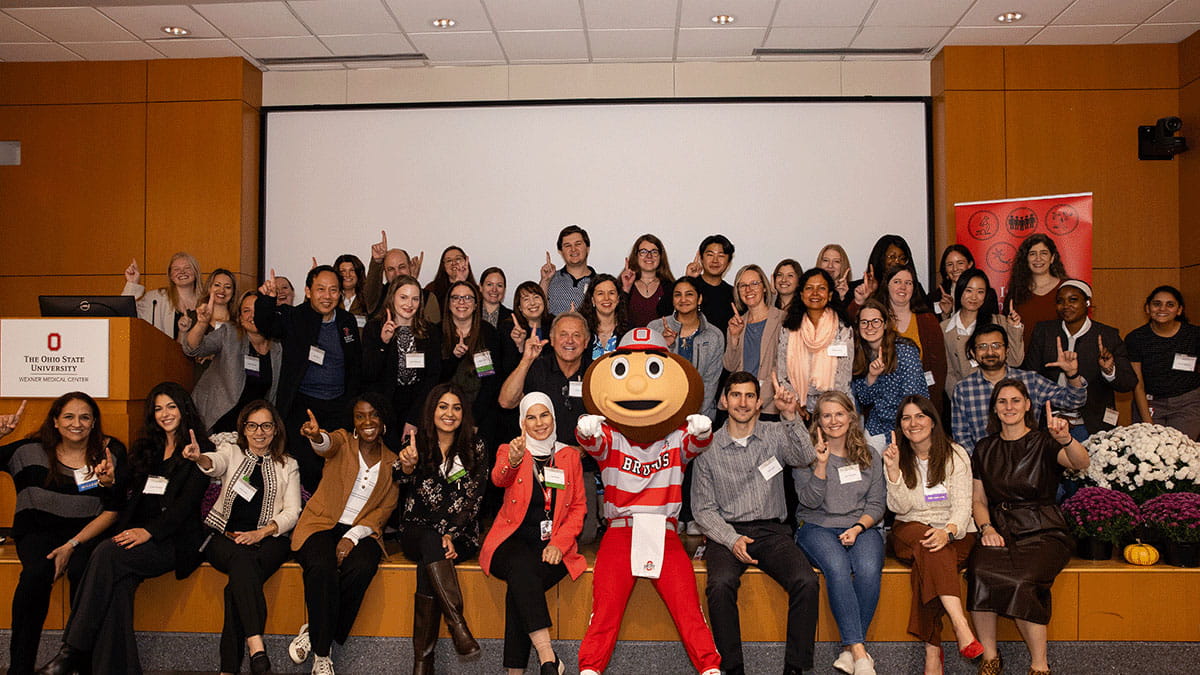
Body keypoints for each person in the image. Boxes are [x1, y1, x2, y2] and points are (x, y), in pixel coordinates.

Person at [574, 328, 721, 675]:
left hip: (663, 531)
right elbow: (592, 441)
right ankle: (589, 668)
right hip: (620, 531)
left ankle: (710, 668)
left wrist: (704, 430)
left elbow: (697, 442)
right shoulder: (612, 438)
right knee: (605, 610)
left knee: (688, 606)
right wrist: (584, 428)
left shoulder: (675, 439)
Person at [38, 382, 210, 675]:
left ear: (184, 409)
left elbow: (184, 508)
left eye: (171, 406)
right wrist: (109, 482)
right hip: (135, 536)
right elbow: (121, 497)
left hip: (172, 541)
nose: (165, 414)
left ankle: (72, 650)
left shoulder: (200, 450)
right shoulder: (147, 447)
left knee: (106, 552)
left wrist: (149, 532)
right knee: (117, 588)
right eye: (158, 408)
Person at [691, 372, 819, 675]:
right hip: (727, 533)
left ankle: (795, 669)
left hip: (772, 531)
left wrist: (790, 416)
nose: (743, 402)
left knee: (807, 582)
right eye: (736, 395)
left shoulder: (775, 433)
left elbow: (806, 456)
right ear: (724, 401)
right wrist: (730, 539)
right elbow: (702, 509)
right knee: (719, 586)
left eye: (750, 395)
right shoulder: (707, 447)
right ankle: (733, 669)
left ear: (759, 402)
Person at [968, 381, 1090, 675]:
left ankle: (1039, 665)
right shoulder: (983, 448)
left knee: (1023, 581)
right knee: (979, 571)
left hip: (1044, 530)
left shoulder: (1045, 441)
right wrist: (986, 528)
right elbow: (978, 499)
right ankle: (990, 657)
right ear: (994, 409)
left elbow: (1081, 463)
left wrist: (1066, 439)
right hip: (999, 530)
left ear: (1027, 405)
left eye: (1015, 400)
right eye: (1002, 401)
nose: (1009, 407)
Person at [0, 395, 122, 675]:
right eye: (68, 416)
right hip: (37, 531)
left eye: (85, 417)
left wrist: (109, 484)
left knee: (85, 573)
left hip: (86, 534)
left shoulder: (109, 454)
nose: (76, 423)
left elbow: (114, 509)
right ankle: (19, 668)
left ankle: (81, 663)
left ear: (94, 423)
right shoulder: (27, 451)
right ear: (55, 421)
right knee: (35, 576)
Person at [184, 400, 301, 675]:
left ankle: (229, 669)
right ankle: (255, 645)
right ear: (243, 429)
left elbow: (293, 511)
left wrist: (261, 532)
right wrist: (200, 458)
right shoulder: (231, 451)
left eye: (266, 426)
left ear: (276, 430)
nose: (259, 432)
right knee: (241, 560)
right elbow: (215, 464)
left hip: (269, 539)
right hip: (224, 537)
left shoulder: (288, 464)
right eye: (252, 426)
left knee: (237, 585)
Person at [287, 394, 399, 675]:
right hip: (322, 523)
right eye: (360, 416)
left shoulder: (393, 462)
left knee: (363, 567)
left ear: (383, 420)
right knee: (321, 567)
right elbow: (326, 444)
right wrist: (316, 436)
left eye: (373, 414)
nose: (367, 421)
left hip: (362, 529)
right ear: (353, 422)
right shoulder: (343, 442)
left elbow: (385, 510)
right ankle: (322, 654)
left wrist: (352, 537)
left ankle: (315, 630)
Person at [480, 393, 586, 675]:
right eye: (531, 417)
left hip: (553, 547)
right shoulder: (511, 449)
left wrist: (559, 544)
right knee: (521, 568)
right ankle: (547, 657)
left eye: (544, 415)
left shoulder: (568, 456)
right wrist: (513, 461)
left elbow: (578, 508)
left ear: (554, 417)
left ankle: (516, 672)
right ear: (522, 422)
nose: (539, 423)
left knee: (520, 584)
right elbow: (498, 478)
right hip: (510, 541)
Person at [884, 396, 981, 675]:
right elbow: (899, 507)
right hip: (910, 527)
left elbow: (963, 507)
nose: (913, 423)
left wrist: (947, 532)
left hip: (955, 532)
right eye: (906, 418)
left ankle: (932, 652)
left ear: (933, 421)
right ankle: (960, 624)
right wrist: (893, 471)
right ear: (900, 425)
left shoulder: (956, 454)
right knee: (929, 545)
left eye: (920, 416)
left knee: (929, 559)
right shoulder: (896, 455)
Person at [395, 384, 488, 673]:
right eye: (443, 407)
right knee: (430, 542)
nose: (450, 413)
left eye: (456, 408)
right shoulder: (416, 442)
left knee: (430, 559)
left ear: (464, 413)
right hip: (417, 531)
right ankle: (457, 625)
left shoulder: (475, 446)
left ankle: (423, 664)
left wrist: (450, 533)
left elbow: (474, 498)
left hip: (460, 535)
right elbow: (398, 478)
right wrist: (407, 466)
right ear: (432, 410)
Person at [793, 391, 884, 675]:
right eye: (826, 415)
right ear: (818, 421)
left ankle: (849, 650)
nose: (833, 421)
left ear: (851, 417)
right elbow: (808, 501)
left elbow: (877, 504)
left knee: (869, 568)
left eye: (839, 414)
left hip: (861, 526)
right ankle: (859, 651)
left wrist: (858, 528)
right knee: (837, 566)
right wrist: (821, 465)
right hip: (816, 526)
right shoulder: (806, 455)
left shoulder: (869, 455)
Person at [255, 265, 363, 492]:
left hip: (338, 406)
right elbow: (266, 326)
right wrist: (266, 300)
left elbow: (355, 365)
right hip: (302, 405)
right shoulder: (294, 317)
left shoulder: (347, 321)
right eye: (320, 289)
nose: (327, 296)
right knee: (305, 467)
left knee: (336, 467)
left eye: (333, 290)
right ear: (307, 291)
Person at [1024, 280, 1138, 438]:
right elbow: (1029, 376)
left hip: (1091, 425)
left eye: (1073, 300)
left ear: (1087, 302)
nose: (1066, 305)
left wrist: (1109, 370)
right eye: (1060, 301)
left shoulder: (1107, 335)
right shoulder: (1044, 332)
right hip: (1050, 422)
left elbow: (1128, 383)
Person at [951, 324, 1087, 452]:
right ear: (973, 353)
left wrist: (1072, 375)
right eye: (982, 346)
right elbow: (961, 435)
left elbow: (1074, 401)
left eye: (996, 345)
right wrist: (979, 463)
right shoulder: (963, 389)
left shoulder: (1030, 380)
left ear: (1007, 350)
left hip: (1030, 459)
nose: (990, 352)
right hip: (984, 463)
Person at [183, 290, 282, 433]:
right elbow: (193, 349)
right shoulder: (229, 334)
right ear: (240, 318)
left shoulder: (277, 347)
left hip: (251, 427)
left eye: (257, 309)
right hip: (216, 418)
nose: (252, 315)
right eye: (246, 311)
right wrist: (201, 323)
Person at [363, 275, 443, 444]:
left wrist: (414, 418)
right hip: (383, 407)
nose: (409, 304)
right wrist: (383, 343)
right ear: (392, 298)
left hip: (417, 405)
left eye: (415, 299)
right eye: (404, 297)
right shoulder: (374, 327)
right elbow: (369, 374)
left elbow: (433, 377)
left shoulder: (430, 331)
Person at [862, 264, 947, 408]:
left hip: (920, 402)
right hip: (881, 406)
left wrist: (929, 407)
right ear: (887, 286)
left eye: (908, 283)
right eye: (897, 282)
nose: (903, 287)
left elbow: (939, 368)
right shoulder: (876, 320)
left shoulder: (928, 320)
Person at [777, 268, 855, 420]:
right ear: (801, 294)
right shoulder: (789, 328)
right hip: (797, 409)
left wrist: (827, 409)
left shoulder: (842, 328)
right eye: (809, 288)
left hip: (835, 410)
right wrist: (795, 403)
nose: (815, 293)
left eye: (821, 288)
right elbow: (782, 371)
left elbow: (843, 376)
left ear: (830, 295)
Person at [850, 299, 929, 448]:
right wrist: (872, 376)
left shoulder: (905, 351)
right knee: (867, 457)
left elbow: (912, 397)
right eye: (864, 322)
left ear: (885, 324)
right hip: (877, 425)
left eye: (876, 321)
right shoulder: (860, 353)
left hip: (908, 423)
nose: (870, 327)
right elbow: (864, 399)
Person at [1124, 285, 1200, 439]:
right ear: (1147, 308)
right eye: (1157, 304)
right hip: (1150, 403)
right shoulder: (1136, 338)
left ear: (1179, 310)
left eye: (1170, 304)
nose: (1162, 309)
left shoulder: (1194, 335)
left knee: (1180, 449)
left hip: (1187, 404)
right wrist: (1148, 424)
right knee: (1148, 448)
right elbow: (1137, 384)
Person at [438, 280, 504, 448]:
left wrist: (474, 419)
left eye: (467, 298)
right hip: (444, 413)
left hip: (481, 413)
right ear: (448, 304)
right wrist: (454, 358)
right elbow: (435, 378)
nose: (461, 302)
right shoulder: (437, 332)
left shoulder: (488, 333)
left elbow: (491, 382)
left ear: (475, 305)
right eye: (456, 298)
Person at [648, 276, 725, 419]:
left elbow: (710, 383)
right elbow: (649, 374)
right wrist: (665, 345)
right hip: (661, 413)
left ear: (699, 299)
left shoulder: (714, 335)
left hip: (699, 416)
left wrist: (696, 418)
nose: (683, 299)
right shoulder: (655, 328)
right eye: (678, 295)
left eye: (689, 294)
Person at [941, 269, 1024, 395]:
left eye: (980, 292)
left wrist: (1014, 328)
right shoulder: (945, 328)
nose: (974, 297)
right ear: (960, 291)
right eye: (969, 290)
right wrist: (959, 397)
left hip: (998, 394)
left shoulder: (998, 321)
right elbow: (948, 372)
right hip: (965, 396)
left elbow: (1015, 361)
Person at [723, 264, 784, 417]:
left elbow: (783, 366)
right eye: (743, 285)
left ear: (764, 287)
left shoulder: (782, 319)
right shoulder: (736, 323)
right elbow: (730, 365)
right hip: (738, 405)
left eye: (754, 283)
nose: (748, 289)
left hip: (769, 406)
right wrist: (734, 337)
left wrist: (757, 400)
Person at [1003, 233, 1070, 346]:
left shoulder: (1067, 288)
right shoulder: (1016, 291)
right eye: (1032, 254)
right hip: (1023, 356)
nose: (1038, 258)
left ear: (1052, 258)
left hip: (1059, 355)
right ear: (1026, 259)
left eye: (1043, 253)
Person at [121, 252, 202, 338]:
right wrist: (132, 283)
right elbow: (125, 313)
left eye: (187, 268)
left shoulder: (207, 300)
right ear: (170, 275)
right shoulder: (155, 298)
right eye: (176, 269)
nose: (182, 272)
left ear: (196, 272)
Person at [363, 230, 423, 319]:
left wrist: (411, 281)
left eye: (402, 267)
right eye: (391, 269)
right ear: (385, 272)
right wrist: (377, 261)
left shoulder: (427, 297)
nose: (397, 273)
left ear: (410, 267)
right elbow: (370, 293)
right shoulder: (378, 295)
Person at [685, 234, 736, 332]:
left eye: (721, 256)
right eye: (710, 255)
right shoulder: (690, 287)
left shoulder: (734, 294)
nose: (715, 260)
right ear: (701, 258)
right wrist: (688, 280)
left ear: (729, 262)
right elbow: (664, 310)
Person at [621, 233, 674, 327]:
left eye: (654, 252)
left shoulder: (670, 287)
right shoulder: (622, 285)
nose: (649, 256)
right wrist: (625, 290)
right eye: (643, 251)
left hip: (661, 337)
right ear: (636, 256)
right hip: (629, 336)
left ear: (660, 256)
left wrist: (690, 279)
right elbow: (616, 317)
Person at [850, 234, 919, 306]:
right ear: (880, 258)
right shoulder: (858, 288)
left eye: (902, 258)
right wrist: (862, 299)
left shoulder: (913, 287)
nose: (897, 261)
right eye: (892, 257)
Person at [540, 225, 596, 315]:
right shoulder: (550, 279)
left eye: (578, 244)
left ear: (587, 248)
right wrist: (545, 280)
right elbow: (539, 311)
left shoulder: (599, 283)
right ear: (561, 251)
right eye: (567, 245)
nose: (573, 249)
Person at [503, 281, 556, 369]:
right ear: (519, 307)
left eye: (536, 297)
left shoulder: (554, 324)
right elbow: (507, 368)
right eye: (526, 299)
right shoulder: (510, 328)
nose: (532, 303)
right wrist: (520, 346)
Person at [579, 273, 628, 359]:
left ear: (618, 299)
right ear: (592, 300)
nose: (606, 298)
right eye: (600, 293)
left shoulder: (629, 332)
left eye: (611, 293)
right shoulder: (582, 330)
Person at [423, 245, 475, 324]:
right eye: (449, 260)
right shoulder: (432, 288)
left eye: (458, 259)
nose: (454, 263)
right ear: (443, 266)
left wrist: (461, 282)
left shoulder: (476, 290)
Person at [930, 244, 974, 316]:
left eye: (960, 263)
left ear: (970, 264)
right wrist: (946, 314)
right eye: (950, 264)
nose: (955, 269)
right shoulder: (936, 296)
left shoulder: (984, 294)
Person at [333, 253, 369, 325]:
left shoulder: (367, 299)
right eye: (343, 271)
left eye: (352, 270)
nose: (347, 275)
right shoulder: (331, 299)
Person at [814, 244, 852, 309]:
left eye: (836, 261)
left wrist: (841, 298)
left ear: (843, 265)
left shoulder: (855, 293)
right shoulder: (809, 290)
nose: (830, 265)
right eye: (826, 260)